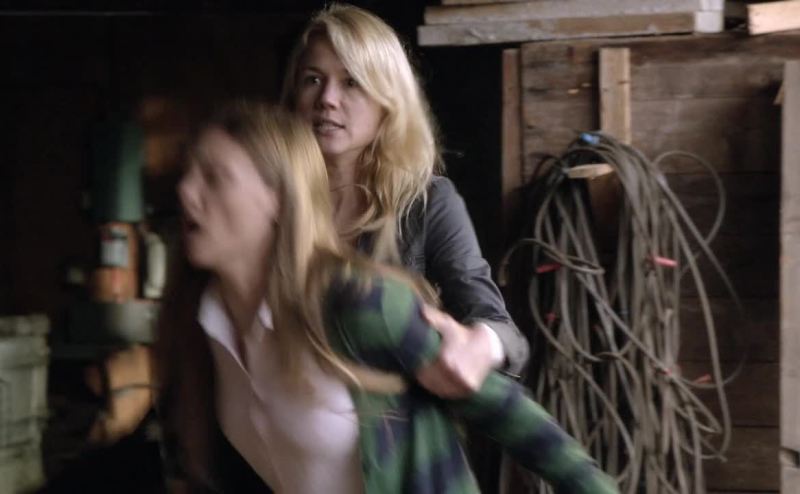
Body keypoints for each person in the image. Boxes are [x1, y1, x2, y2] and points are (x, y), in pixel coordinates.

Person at [156, 102, 617, 493]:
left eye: (215, 177)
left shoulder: (356, 303)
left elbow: (510, 415)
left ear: (277, 197)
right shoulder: (200, 323)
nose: (186, 191)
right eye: (189, 173)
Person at [280, 3, 529, 399]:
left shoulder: (427, 203)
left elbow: (499, 328)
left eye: (351, 82)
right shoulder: (272, 201)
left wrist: (482, 344)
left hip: (393, 426)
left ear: (389, 101)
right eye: (313, 79)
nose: (327, 98)